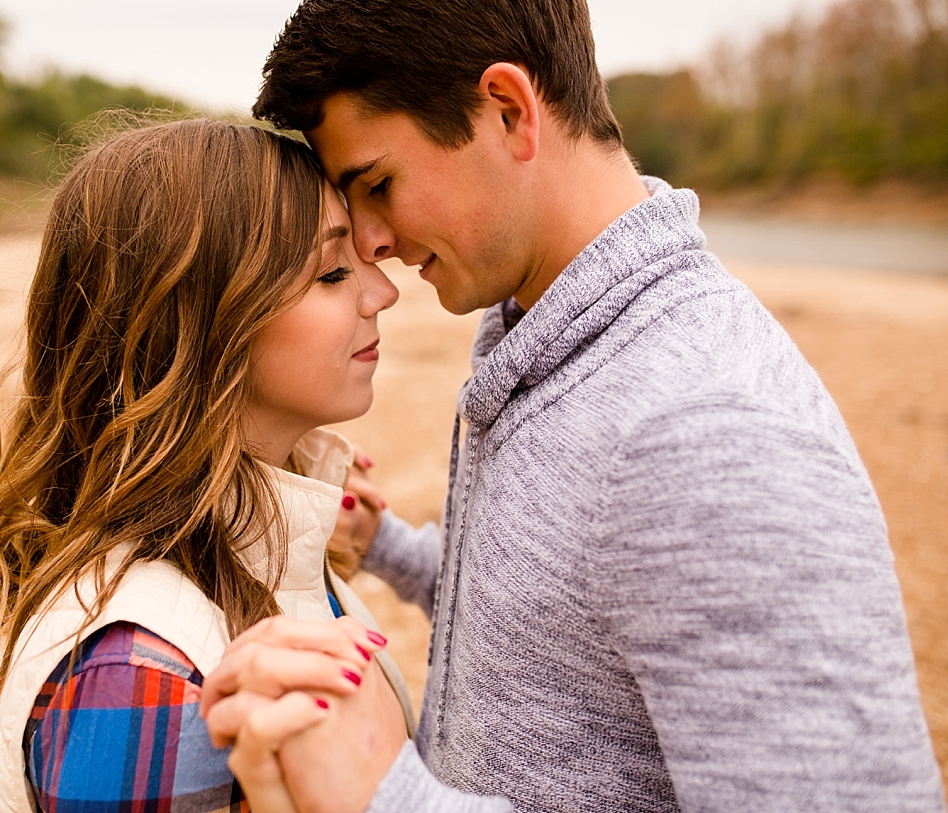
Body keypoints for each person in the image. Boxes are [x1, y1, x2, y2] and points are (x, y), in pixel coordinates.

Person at [200, 1, 948, 812]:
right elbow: (574, 609)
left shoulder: (704, 432)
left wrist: (389, 795)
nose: (370, 237)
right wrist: (395, 549)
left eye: (377, 183)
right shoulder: (552, 331)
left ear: (509, 110)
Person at [0, 118, 414, 813]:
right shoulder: (135, 672)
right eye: (332, 271)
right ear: (197, 327)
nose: (381, 292)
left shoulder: (283, 548)